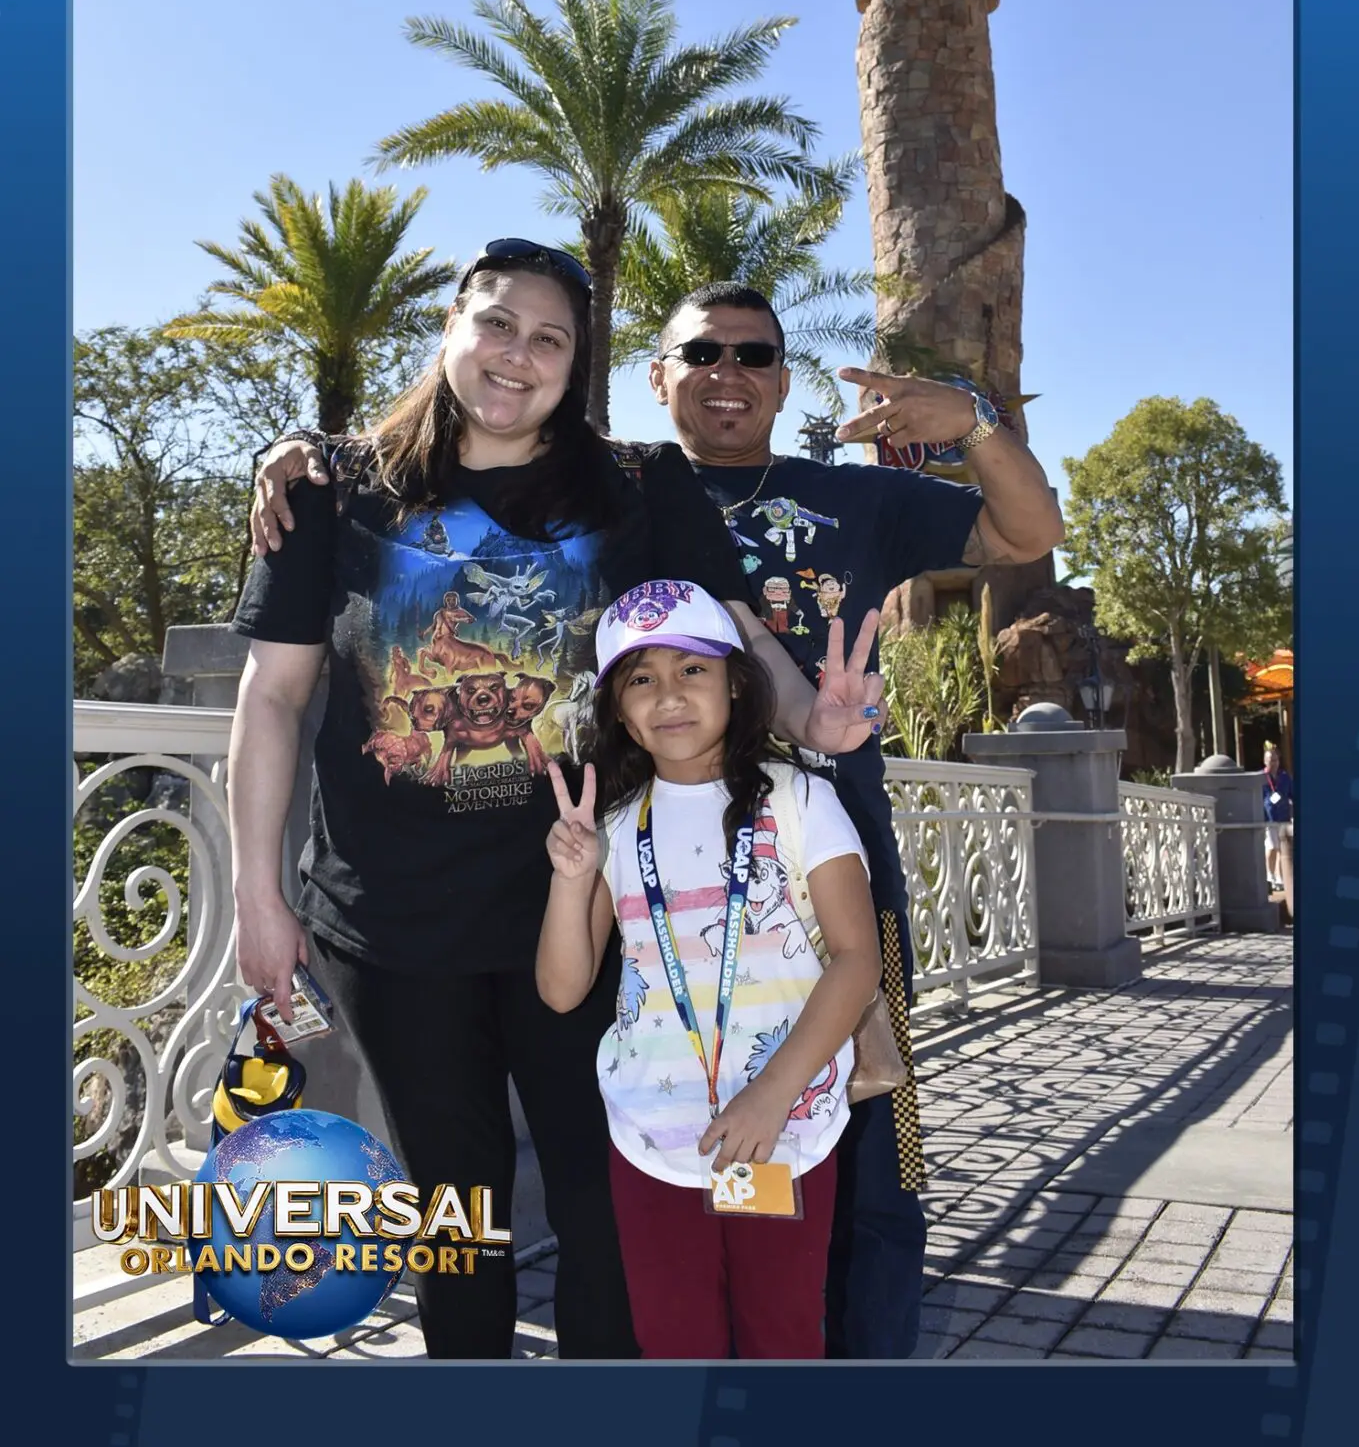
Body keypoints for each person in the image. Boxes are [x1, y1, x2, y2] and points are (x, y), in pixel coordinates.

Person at [249, 276, 1064, 1358]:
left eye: (756, 355)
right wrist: (304, 443)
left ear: (783, 375)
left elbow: (1024, 534)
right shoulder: (621, 483)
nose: (730, 374)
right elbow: (441, 454)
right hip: (601, 893)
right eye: (704, 355)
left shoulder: (816, 495)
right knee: (588, 1203)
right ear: (653, 377)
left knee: (859, 1172)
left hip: (799, 873)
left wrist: (974, 419)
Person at [535, 581, 881, 1359]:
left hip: (783, 1127)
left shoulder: (801, 800)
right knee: (673, 1345)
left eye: (691, 670)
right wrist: (571, 876)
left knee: (782, 1336)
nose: (669, 696)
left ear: (734, 681)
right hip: (652, 1140)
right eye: (641, 678)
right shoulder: (618, 827)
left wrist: (769, 1096)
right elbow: (561, 989)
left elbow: (856, 961)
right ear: (616, 710)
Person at [1262, 741, 1294, 891]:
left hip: (1284, 817)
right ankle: (1270, 876)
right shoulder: (1261, 778)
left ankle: (1281, 877)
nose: (1273, 763)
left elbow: (1292, 794)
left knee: (1283, 849)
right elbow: (1259, 799)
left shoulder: (1284, 776)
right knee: (1272, 847)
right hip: (1269, 818)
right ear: (1265, 761)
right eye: (1270, 760)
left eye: (1275, 760)